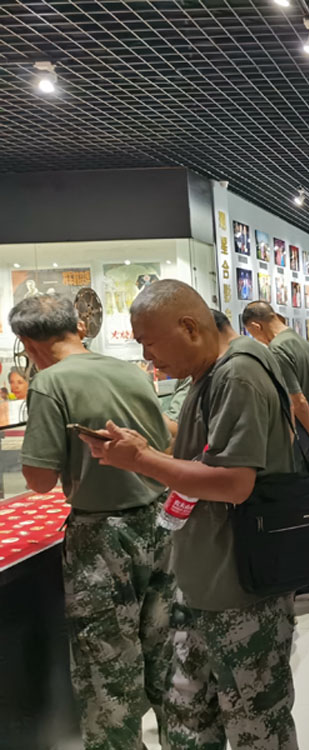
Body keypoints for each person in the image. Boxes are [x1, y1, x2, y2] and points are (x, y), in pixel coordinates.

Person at [80, 280, 300, 749]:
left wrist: (142, 461)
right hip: (203, 581)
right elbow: (203, 458)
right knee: (188, 722)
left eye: (149, 342)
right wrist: (144, 449)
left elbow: (234, 483)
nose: (147, 356)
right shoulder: (209, 375)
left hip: (240, 590)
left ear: (189, 327)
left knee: (256, 727)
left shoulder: (239, 374)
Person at [12, 294, 175, 748]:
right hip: (160, 524)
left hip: (102, 539)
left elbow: (40, 480)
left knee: (107, 671)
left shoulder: (50, 383)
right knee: (167, 655)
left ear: (27, 343)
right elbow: (161, 444)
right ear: (78, 327)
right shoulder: (131, 371)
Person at [242, 301, 309, 466]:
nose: (256, 339)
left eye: (252, 334)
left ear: (256, 326)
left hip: (299, 427)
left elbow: (298, 401)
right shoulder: (301, 341)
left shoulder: (277, 349)